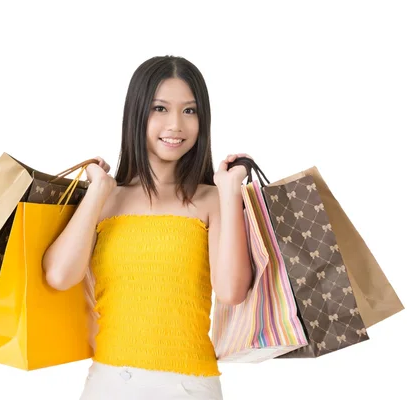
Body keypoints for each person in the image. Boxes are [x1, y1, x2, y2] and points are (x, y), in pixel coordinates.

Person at [42, 55, 253, 400]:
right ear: (136, 114)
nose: (176, 125)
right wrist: (97, 190)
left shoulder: (212, 199)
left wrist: (230, 192)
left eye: (189, 111)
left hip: (190, 387)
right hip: (109, 384)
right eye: (160, 108)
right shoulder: (106, 199)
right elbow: (60, 277)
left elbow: (230, 292)